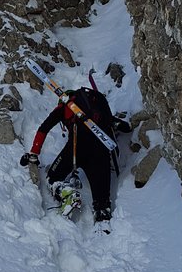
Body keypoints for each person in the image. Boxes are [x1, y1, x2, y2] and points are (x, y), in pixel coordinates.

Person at [21, 81, 130, 223]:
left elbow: (44, 128)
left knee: (53, 178)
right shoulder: (97, 108)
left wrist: (34, 153)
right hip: (101, 150)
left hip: (76, 147)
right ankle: (102, 218)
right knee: (102, 201)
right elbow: (125, 126)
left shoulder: (64, 107)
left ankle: (67, 193)